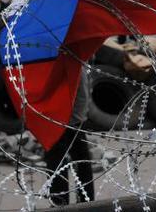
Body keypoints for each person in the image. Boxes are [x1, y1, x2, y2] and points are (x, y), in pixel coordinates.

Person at [43, 68, 95, 206]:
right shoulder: (70, 61)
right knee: (61, 162)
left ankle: (79, 203)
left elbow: (82, 93)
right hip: (58, 118)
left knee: (72, 161)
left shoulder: (72, 63)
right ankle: (69, 202)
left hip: (68, 121)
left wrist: (75, 120)